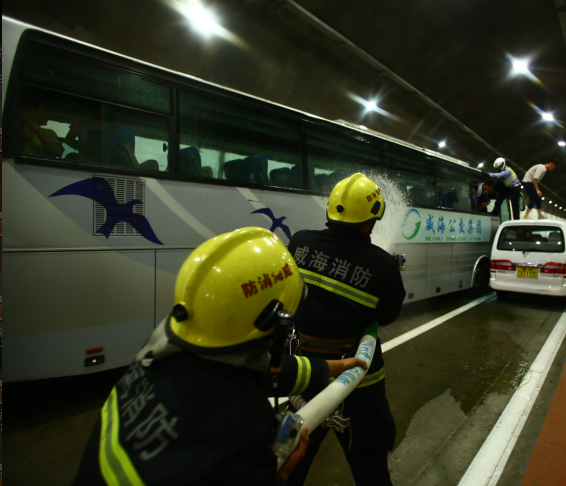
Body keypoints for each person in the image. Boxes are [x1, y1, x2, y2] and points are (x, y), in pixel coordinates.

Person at [72, 227, 368, 486]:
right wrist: (282, 474)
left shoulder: (157, 356)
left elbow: (262, 369)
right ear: (271, 324)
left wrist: (330, 368)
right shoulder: (242, 429)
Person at [287, 173, 406, 486]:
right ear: (373, 218)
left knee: (289, 462)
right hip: (359, 383)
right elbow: (389, 314)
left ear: (331, 209)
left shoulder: (299, 242)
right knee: (370, 468)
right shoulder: (382, 265)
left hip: (306, 374)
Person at [13, 92, 64, 158]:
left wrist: (33, 125)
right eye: (44, 110)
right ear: (30, 109)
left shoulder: (49, 133)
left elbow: (58, 151)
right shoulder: (11, 129)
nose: (49, 115)